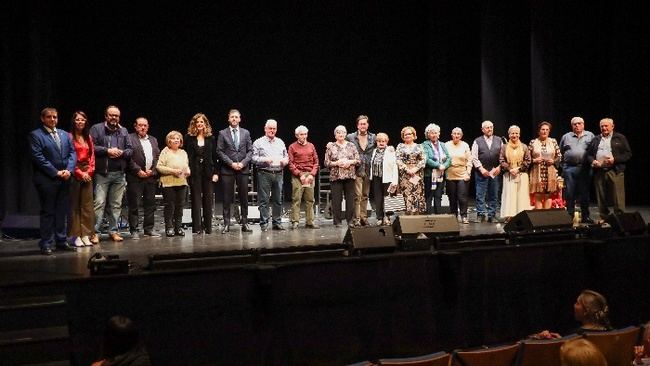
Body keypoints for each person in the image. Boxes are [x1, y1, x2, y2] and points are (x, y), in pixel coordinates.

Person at [28, 107, 77, 255]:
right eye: (49, 117)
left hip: (65, 178)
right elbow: (38, 158)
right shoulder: (36, 135)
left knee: (62, 212)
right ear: (43, 119)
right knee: (48, 212)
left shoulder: (64, 134)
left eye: (55, 117)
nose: (53, 119)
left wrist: (68, 170)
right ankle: (46, 243)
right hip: (47, 179)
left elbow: (72, 153)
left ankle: (61, 241)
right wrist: (56, 172)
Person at [89, 105, 133, 244]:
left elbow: (130, 149)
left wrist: (121, 152)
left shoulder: (123, 130)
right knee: (99, 203)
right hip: (103, 173)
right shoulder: (96, 129)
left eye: (116, 116)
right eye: (111, 115)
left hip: (119, 174)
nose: (114, 118)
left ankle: (113, 231)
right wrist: (108, 151)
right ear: (106, 116)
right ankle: (94, 232)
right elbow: (91, 147)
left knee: (116, 204)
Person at [585, 118, 632, 222]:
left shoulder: (620, 138)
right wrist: (593, 161)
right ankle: (604, 217)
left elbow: (628, 154)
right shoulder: (596, 139)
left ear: (612, 126)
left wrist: (615, 160)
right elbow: (589, 155)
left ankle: (620, 218)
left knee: (618, 196)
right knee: (600, 195)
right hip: (599, 171)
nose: (604, 128)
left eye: (606, 126)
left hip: (615, 170)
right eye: (602, 126)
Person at [216, 109, 253, 234]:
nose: (234, 119)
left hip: (243, 169)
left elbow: (250, 151)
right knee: (227, 198)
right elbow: (219, 151)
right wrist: (231, 163)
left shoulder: (246, 133)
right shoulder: (222, 133)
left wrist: (242, 163)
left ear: (240, 119)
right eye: (232, 117)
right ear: (228, 119)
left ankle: (245, 223)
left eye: (236, 117)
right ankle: (226, 224)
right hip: (228, 169)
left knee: (244, 198)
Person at [126, 117, 160, 240]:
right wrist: (138, 170)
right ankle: (134, 230)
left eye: (145, 125)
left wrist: (153, 170)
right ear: (135, 126)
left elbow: (157, 157)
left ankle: (149, 229)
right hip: (135, 177)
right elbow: (128, 158)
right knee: (134, 204)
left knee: (150, 204)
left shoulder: (153, 140)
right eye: (140, 125)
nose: (143, 127)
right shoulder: (129, 138)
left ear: (148, 126)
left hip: (150, 177)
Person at [185, 113, 219, 234]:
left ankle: (208, 227)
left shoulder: (211, 138)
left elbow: (215, 157)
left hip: (208, 172)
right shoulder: (189, 138)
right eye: (197, 122)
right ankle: (197, 227)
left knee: (208, 199)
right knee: (195, 199)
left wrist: (216, 173)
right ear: (194, 124)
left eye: (201, 122)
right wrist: (187, 170)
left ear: (205, 124)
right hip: (194, 172)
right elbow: (187, 156)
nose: (199, 124)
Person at [252, 119, 288, 231]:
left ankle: (277, 222)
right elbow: (253, 158)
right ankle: (264, 223)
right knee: (264, 200)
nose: (272, 130)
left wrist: (285, 161)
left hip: (278, 173)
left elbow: (286, 157)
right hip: (264, 173)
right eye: (270, 128)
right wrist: (264, 160)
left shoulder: (280, 142)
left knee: (278, 200)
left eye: (274, 128)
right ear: (265, 129)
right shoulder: (258, 142)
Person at [533, 289, 612, 340]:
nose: (574, 305)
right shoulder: (610, 333)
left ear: (586, 311)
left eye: (577, 303)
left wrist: (563, 342)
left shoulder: (576, 336)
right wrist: (562, 340)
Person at [560, 117, 595, 224]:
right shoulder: (566, 137)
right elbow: (560, 151)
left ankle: (585, 216)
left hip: (584, 168)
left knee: (584, 193)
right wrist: (564, 166)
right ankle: (569, 216)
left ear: (583, 124)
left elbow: (594, 150)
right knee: (570, 194)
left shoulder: (590, 135)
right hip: (569, 168)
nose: (577, 126)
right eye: (575, 124)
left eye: (579, 123)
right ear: (572, 126)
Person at [324, 125, 360, 227]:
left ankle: (350, 220)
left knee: (350, 199)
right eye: (338, 132)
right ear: (335, 135)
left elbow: (358, 161)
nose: (341, 134)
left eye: (343, 132)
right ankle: (337, 221)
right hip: (336, 177)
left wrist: (350, 162)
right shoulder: (331, 146)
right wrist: (336, 163)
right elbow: (326, 162)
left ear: (345, 134)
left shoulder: (351, 146)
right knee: (336, 200)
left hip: (349, 176)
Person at [68, 111, 95, 247]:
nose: (80, 122)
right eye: (77, 119)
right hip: (75, 172)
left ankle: (85, 234)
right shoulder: (69, 137)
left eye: (82, 120)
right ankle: (76, 235)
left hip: (87, 173)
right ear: (73, 121)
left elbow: (92, 157)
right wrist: (79, 173)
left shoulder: (88, 137)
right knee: (75, 206)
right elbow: (69, 157)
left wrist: (89, 172)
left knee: (87, 205)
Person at [156, 131, 190, 237]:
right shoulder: (165, 151)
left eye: (178, 138)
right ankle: (169, 228)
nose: (176, 140)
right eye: (173, 138)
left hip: (182, 182)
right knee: (170, 206)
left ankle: (178, 228)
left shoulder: (183, 152)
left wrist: (188, 171)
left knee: (180, 206)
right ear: (169, 140)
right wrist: (173, 171)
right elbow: (159, 167)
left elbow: (186, 165)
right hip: (168, 183)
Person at [287, 125, 320, 229]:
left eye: (305, 134)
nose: (304, 136)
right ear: (297, 135)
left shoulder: (311, 146)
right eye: (302, 134)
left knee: (310, 199)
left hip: (309, 175)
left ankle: (310, 221)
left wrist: (312, 174)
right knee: (296, 199)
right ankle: (295, 221)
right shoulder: (292, 147)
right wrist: (300, 174)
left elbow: (316, 162)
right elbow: (290, 163)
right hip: (298, 176)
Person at [346, 115, 376, 226]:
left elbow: (381, 147)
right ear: (357, 125)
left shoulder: (373, 137)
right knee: (357, 195)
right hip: (356, 169)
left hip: (368, 169)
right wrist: (331, 144)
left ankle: (364, 217)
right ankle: (357, 218)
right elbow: (341, 144)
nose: (363, 126)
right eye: (361, 124)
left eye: (365, 123)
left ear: (367, 125)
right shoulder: (350, 137)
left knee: (365, 195)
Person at [471, 120, 503, 223]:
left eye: (491, 127)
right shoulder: (477, 141)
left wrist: (499, 167)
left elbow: (503, 156)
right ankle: (480, 214)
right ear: (482, 129)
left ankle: (491, 215)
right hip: (481, 172)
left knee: (493, 194)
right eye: (487, 127)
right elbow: (474, 157)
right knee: (480, 194)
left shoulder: (499, 140)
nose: (489, 129)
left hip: (495, 171)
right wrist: (481, 168)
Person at [499, 125, 531, 222]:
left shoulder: (524, 147)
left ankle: (521, 216)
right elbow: (501, 160)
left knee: (521, 196)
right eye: (512, 133)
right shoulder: (504, 147)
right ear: (509, 135)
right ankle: (510, 216)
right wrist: (510, 169)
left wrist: (519, 169)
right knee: (510, 195)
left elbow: (528, 160)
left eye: (516, 133)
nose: (514, 135)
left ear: (519, 134)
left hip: (521, 174)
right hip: (509, 175)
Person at [528, 121, 562, 209]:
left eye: (547, 130)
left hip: (550, 172)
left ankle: (546, 218)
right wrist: (534, 160)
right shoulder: (533, 142)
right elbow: (526, 159)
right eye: (543, 129)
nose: (545, 131)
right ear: (539, 131)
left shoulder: (553, 141)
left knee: (548, 195)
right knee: (538, 195)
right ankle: (539, 220)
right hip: (537, 172)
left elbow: (559, 157)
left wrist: (553, 161)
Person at [369, 132, 398, 226]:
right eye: (379, 141)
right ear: (376, 142)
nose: (381, 143)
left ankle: (387, 217)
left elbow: (395, 166)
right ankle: (380, 217)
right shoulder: (374, 151)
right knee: (378, 199)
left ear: (387, 142)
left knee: (388, 198)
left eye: (383, 141)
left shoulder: (390, 151)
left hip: (387, 178)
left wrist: (395, 180)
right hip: (376, 179)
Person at [396, 126, 426, 214]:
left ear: (414, 135)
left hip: (416, 174)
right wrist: (407, 169)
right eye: (405, 134)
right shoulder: (400, 146)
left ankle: (417, 215)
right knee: (406, 194)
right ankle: (407, 216)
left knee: (417, 194)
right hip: (405, 176)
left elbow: (423, 159)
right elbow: (398, 159)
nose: (407, 135)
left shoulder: (419, 146)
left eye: (409, 134)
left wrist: (415, 169)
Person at [444, 127, 472, 223]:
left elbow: (469, 160)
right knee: (452, 197)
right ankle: (453, 216)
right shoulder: (446, 145)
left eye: (458, 134)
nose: (456, 135)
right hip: (450, 174)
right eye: (454, 133)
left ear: (461, 135)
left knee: (462, 196)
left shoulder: (465, 145)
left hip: (462, 174)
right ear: (451, 135)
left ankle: (464, 216)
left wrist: (468, 172)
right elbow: (443, 158)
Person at [422, 123, 450, 215]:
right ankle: (429, 216)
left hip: (440, 175)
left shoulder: (442, 144)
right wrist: (438, 165)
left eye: (435, 133)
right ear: (428, 134)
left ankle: (438, 216)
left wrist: (444, 166)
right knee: (429, 195)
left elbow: (449, 158)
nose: (434, 135)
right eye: (431, 133)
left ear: (439, 134)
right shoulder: (425, 145)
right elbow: (426, 159)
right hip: (429, 175)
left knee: (438, 195)